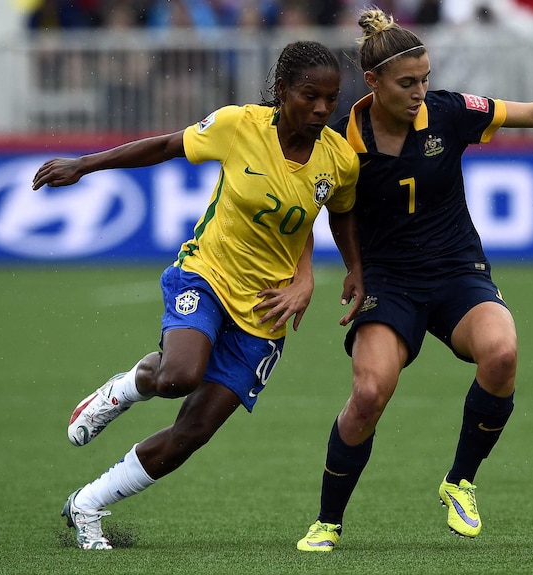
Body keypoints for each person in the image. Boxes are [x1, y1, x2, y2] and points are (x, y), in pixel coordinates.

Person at [296, 7, 533, 551]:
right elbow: (332, 208)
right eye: (408, 83)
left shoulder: (449, 113)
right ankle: (327, 521)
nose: (420, 92)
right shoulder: (339, 141)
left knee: (501, 354)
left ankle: (460, 481)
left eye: (425, 79)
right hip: (391, 282)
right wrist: (351, 267)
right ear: (373, 82)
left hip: (456, 270)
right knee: (369, 393)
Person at [32, 40, 363, 550]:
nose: (322, 109)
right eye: (309, 96)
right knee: (179, 375)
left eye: (331, 99)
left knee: (196, 431)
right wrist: (85, 165)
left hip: (265, 311)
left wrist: (338, 272)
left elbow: (333, 213)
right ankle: (123, 389)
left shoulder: (338, 160)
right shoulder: (239, 126)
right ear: (282, 91)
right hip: (205, 275)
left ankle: (88, 504)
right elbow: (166, 146)